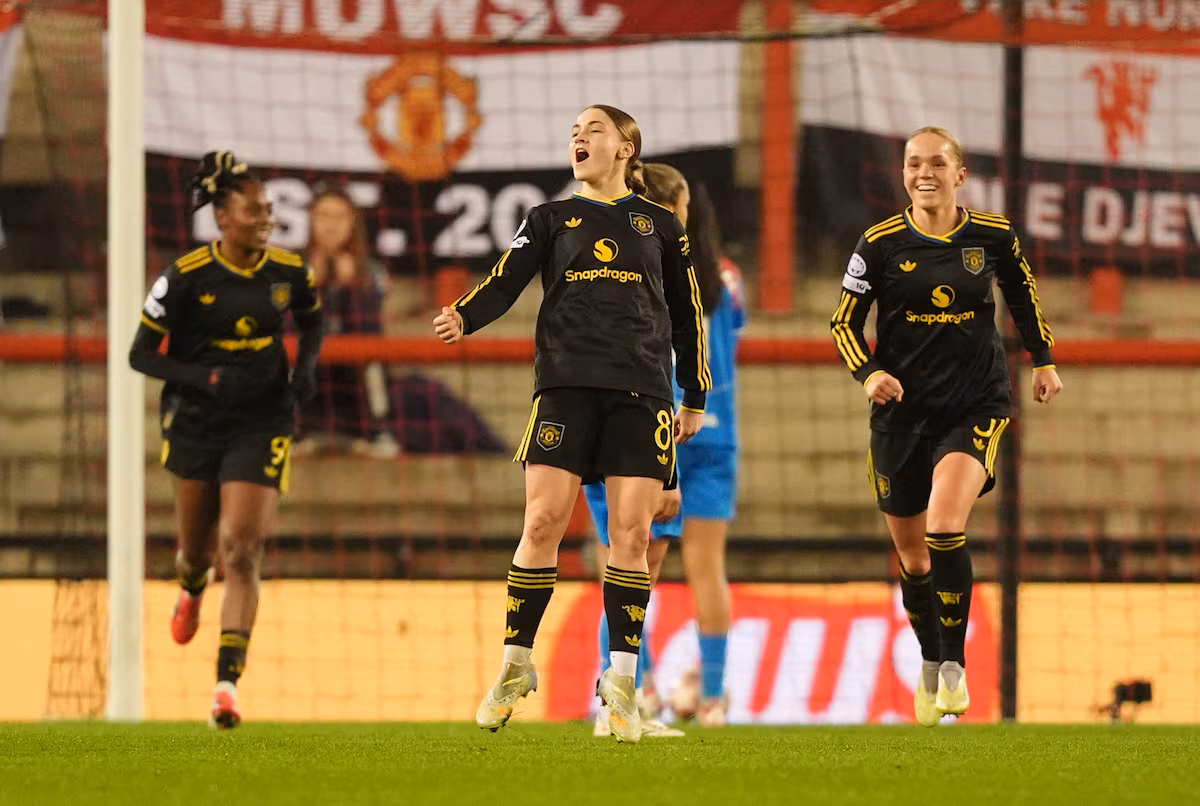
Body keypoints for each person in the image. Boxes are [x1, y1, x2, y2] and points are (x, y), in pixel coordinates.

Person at [433, 105, 710, 743]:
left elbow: (686, 311)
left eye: (594, 130)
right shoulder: (550, 218)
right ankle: (515, 665)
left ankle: (622, 686)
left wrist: (694, 393)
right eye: (574, 132)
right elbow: (505, 279)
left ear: (626, 148)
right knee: (541, 523)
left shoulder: (660, 225)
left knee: (632, 536)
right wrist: (465, 316)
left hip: (642, 395)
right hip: (564, 390)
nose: (579, 138)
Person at [830, 127, 1062, 726]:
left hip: (975, 406)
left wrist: (1042, 360)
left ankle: (955, 665)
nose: (924, 173)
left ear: (960, 175)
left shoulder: (993, 235)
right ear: (903, 173)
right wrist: (868, 375)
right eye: (914, 163)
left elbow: (1023, 293)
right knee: (913, 558)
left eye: (936, 163)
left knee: (943, 525)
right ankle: (931, 659)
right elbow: (843, 322)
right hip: (901, 416)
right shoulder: (879, 243)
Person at [128, 151, 324, 729]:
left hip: (262, 420)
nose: (265, 219)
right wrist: (205, 378)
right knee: (198, 552)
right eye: (253, 210)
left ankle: (226, 688)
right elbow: (141, 354)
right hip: (196, 421)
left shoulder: (288, 271)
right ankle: (191, 587)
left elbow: (313, 320)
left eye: (268, 209)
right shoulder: (185, 276)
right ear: (221, 217)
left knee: (241, 548)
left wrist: (306, 370)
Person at [583, 166, 744, 733]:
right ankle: (713, 697)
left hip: (637, 425)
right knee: (705, 567)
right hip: (711, 429)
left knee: (623, 563)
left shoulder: (619, 266)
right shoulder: (723, 276)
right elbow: (731, 335)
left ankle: (637, 688)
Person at [297, 185, 399, 459]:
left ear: (352, 222)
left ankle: (378, 430)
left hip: (354, 372)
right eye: (324, 216)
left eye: (340, 217)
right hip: (308, 366)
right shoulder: (291, 267)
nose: (331, 225)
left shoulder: (372, 270)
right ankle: (290, 431)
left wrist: (353, 286)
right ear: (311, 220)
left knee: (374, 351)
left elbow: (373, 325)